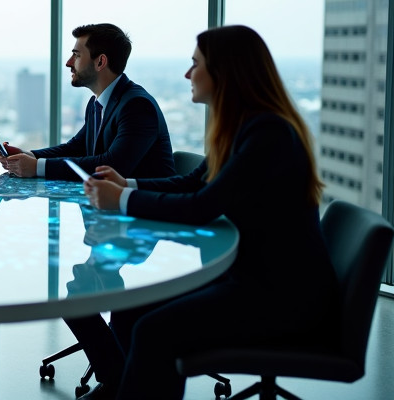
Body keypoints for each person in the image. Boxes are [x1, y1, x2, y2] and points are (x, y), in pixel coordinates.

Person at [77, 25, 338, 399]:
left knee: (154, 328)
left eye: (195, 64)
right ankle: (121, 388)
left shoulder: (267, 134)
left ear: (226, 73)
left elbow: (202, 206)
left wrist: (119, 200)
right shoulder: (243, 127)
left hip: (282, 297)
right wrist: (127, 185)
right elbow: (192, 183)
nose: (187, 74)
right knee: (134, 309)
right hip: (253, 277)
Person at [0, 23, 175, 180]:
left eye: (76, 56)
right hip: (110, 207)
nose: (68, 63)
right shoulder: (96, 104)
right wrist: (29, 155)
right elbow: (76, 148)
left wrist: (37, 168)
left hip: (143, 212)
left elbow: (112, 167)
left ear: (100, 62)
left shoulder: (137, 106)